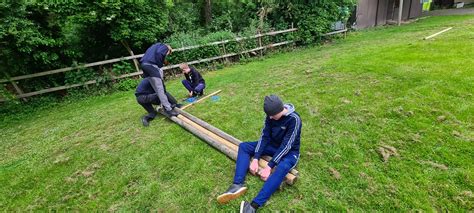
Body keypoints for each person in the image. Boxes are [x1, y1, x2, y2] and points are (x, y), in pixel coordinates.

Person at [217, 95, 302, 212]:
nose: (270, 118)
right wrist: (256, 158)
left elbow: (286, 146)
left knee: (283, 167)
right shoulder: (270, 116)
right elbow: (264, 136)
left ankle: (253, 206)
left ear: (280, 110)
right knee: (244, 146)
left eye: (272, 115)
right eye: (269, 115)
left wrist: (269, 166)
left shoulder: (294, 119)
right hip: (272, 145)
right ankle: (237, 185)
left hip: (290, 151)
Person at [139, 42, 178, 117]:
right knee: (160, 89)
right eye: (168, 53)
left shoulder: (154, 46)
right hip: (151, 66)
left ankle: (163, 105)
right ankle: (168, 109)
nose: (167, 55)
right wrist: (160, 65)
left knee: (157, 89)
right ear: (169, 50)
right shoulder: (164, 47)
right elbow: (160, 53)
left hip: (144, 65)